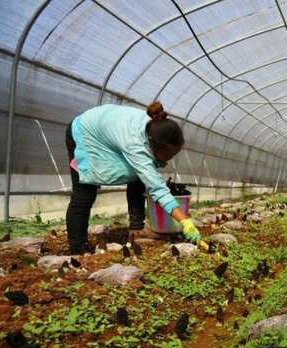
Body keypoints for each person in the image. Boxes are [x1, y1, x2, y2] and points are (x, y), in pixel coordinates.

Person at [65, 101, 202, 254]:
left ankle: (136, 229)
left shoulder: (154, 126)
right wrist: (185, 221)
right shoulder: (134, 145)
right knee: (84, 192)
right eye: (168, 155)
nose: (169, 160)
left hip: (103, 128)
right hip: (83, 133)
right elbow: (157, 188)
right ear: (152, 145)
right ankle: (77, 247)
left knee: (140, 175)